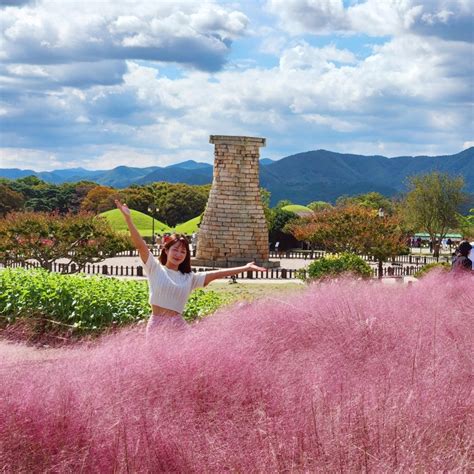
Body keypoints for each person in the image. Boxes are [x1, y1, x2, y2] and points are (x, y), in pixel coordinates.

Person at [115, 200, 267, 334]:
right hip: (157, 326)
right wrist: (128, 219)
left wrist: (245, 267)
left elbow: (216, 274)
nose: (178, 254)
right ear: (166, 250)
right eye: (175, 249)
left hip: (179, 327)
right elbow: (141, 246)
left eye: (183, 251)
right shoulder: (155, 268)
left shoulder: (189, 278)